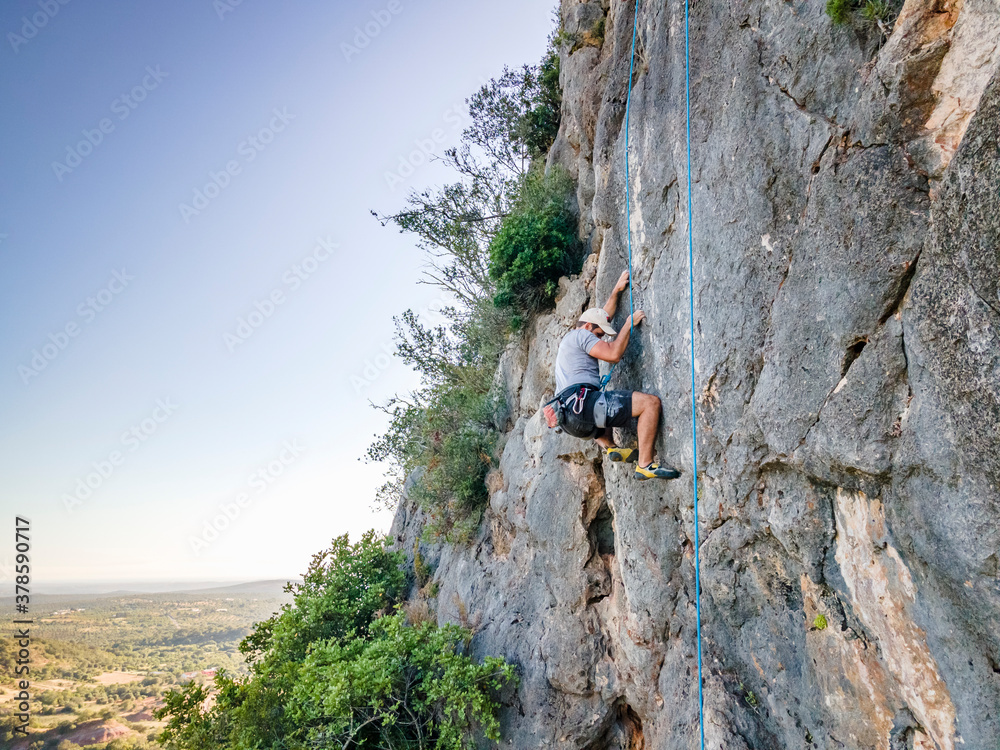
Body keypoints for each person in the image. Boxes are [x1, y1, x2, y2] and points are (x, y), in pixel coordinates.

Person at [551, 270, 680, 480]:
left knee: (602, 405)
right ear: (586, 327)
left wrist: (616, 291)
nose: (601, 339)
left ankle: (610, 446)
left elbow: (602, 315)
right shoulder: (582, 335)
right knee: (650, 404)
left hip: (569, 419)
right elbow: (613, 354)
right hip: (584, 405)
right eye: (599, 335)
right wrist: (628, 325)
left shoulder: (570, 342)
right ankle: (645, 464)